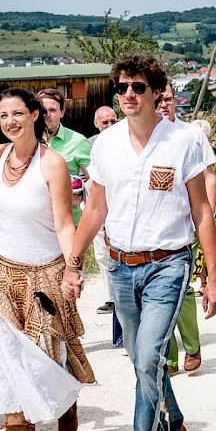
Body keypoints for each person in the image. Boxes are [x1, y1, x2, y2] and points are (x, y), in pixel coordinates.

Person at [65, 53, 216, 431]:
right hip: (120, 268)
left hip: (168, 265)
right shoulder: (104, 145)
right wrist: (72, 263)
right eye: (122, 87)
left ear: (156, 92)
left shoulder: (185, 140)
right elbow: (95, 208)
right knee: (141, 360)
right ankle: (176, 424)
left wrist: (213, 277)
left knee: (150, 356)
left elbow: (202, 211)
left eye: (138, 87)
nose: (129, 94)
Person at [0, 87, 96, 431]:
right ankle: (17, 425)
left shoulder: (52, 162)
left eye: (17, 113)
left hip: (44, 272)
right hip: (0, 270)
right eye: (3, 116)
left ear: (34, 115)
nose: (10, 122)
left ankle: (64, 398)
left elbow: (64, 222)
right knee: (3, 354)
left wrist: (72, 268)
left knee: (41, 355)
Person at [158, 85, 216, 375]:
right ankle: (168, 358)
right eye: (159, 100)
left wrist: (206, 214)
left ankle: (192, 345)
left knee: (183, 292)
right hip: (153, 231)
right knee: (157, 298)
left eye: (167, 99)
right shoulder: (140, 137)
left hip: (186, 226)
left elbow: (209, 175)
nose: (163, 105)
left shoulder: (191, 135)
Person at [38, 88, 93, 222]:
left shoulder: (78, 141)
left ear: (62, 112)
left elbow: (96, 178)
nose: (47, 114)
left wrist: (79, 196)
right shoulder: (28, 141)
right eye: (43, 111)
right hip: (35, 224)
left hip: (67, 221)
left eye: (52, 110)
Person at [91, 105, 119, 316]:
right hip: (100, 206)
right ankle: (110, 296)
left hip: (119, 207)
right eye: (105, 122)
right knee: (101, 254)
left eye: (113, 121)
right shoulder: (92, 144)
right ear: (96, 124)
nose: (109, 126)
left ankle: (120, 296)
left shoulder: (126, 140)